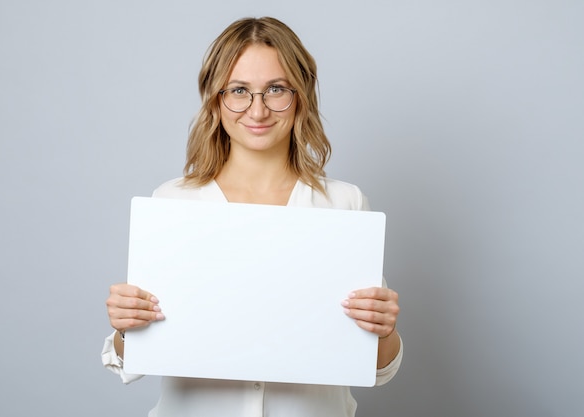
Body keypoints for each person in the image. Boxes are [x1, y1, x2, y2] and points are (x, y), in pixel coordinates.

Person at [102, 16, 402, 417]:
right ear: (216, 98)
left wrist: (384, 329)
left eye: (276, 89)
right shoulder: (172, 203)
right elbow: (129, 359)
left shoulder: (344, 205)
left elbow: (378, 367)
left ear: (300, 95)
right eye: (240, 90)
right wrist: (126, 325)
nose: (257, 109)